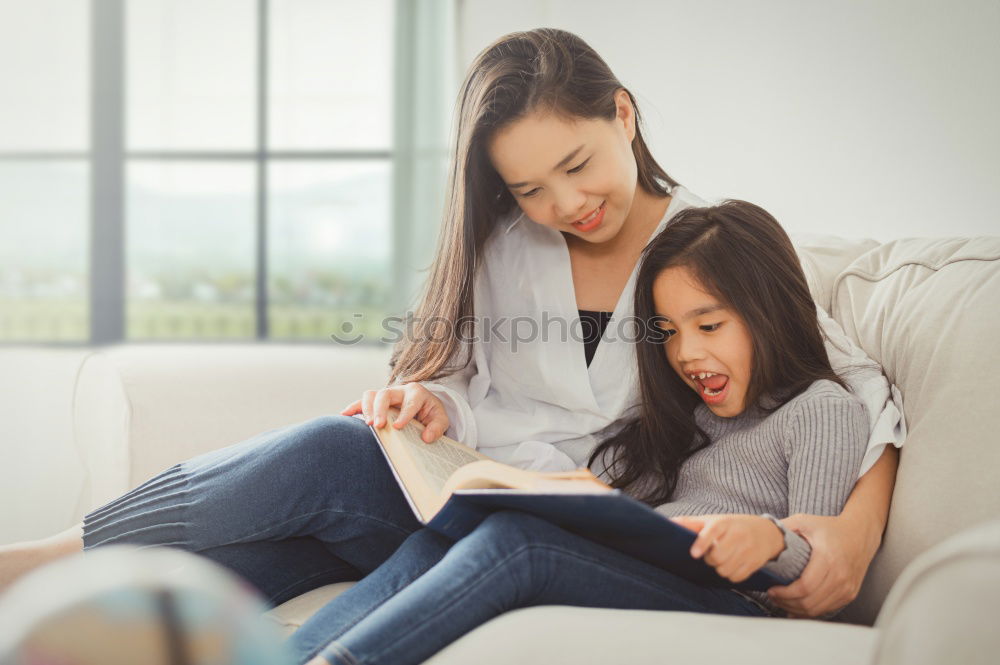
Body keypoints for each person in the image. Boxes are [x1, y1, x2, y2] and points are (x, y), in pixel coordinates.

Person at [0, 26, 902, 660]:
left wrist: (851, 538)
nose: (563, 205)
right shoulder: (510, 241)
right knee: (332, 446)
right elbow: (463, 377)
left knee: (300, 550)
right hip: (456, 480)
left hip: (566, 520)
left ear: (623, 115)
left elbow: (851, 384)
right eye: (531, 187)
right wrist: (433, 400)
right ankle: (45, 568)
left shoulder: (710, 253)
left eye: (577, 165)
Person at [287, 199, 873, 665]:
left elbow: (817, 574)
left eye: (710, 325)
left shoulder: (822, 410)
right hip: (654, 568)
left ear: (771, 310)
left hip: (733, 603)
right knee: (441, 538)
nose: (687, 354)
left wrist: (769, 540)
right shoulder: (696, 417)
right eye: (668, 332)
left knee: (518, 544)